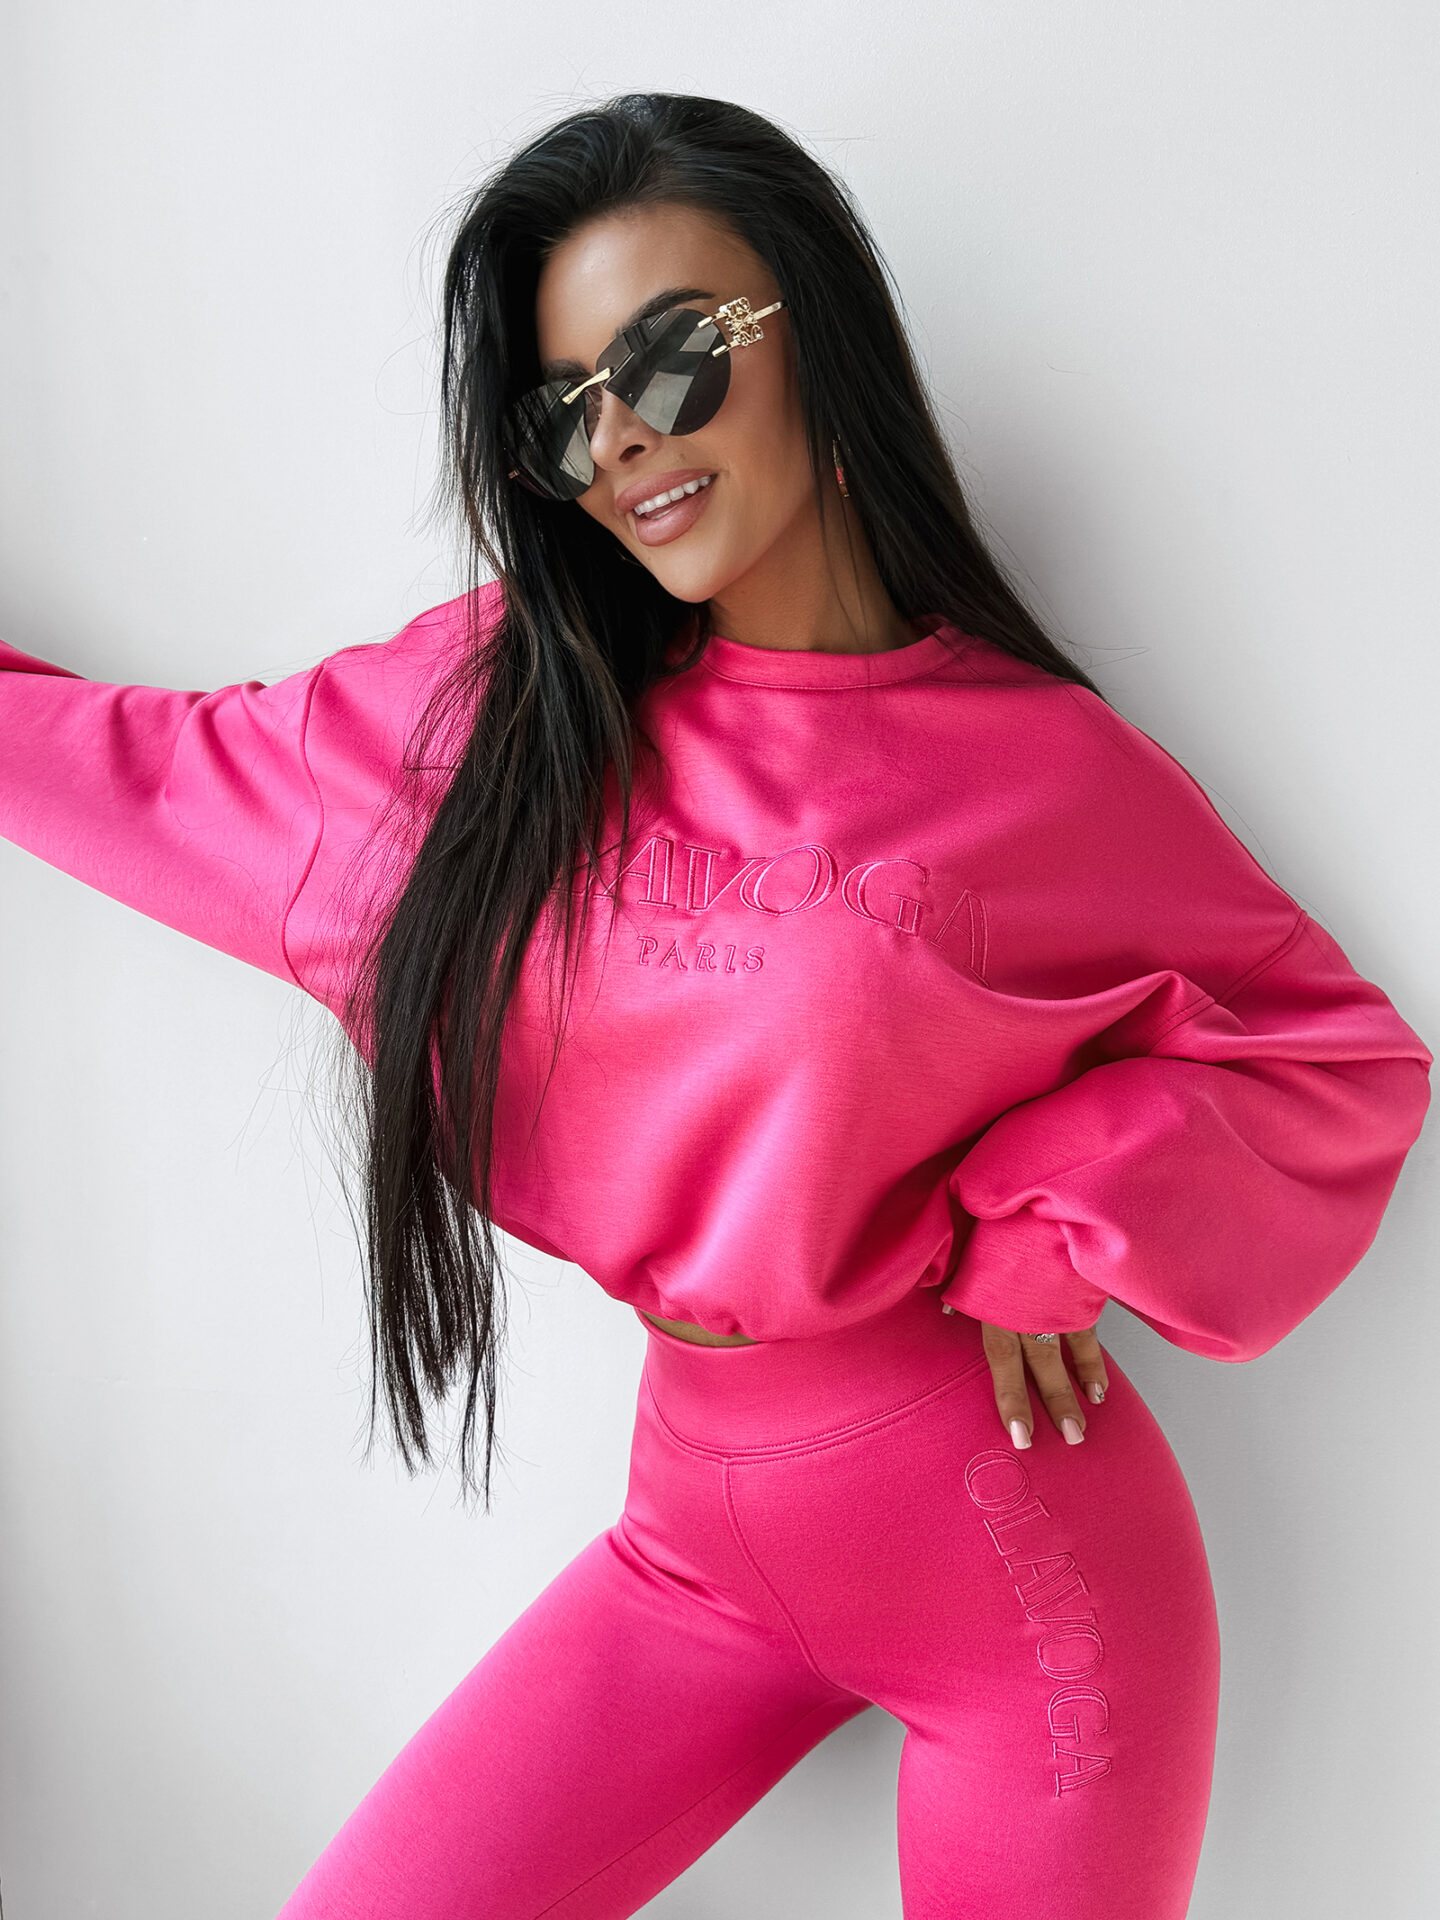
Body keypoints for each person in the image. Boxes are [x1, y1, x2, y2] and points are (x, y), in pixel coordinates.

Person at [0, 91, 1430, 1920]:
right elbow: (154, 771)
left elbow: (1331, 1054)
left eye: (674, 360)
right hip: (691, 1539)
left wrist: (1051, 1223)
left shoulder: (1035, 769)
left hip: (1023, 1559)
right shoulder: (502, 722)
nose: (622, 439)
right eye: (566, 411)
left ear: (811, 337)